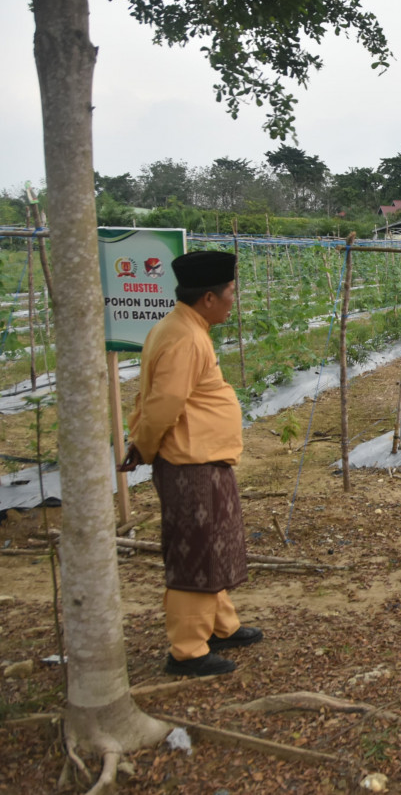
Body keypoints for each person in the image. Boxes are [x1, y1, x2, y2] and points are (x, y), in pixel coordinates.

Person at [119, 250, 262, 677]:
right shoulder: (184, 337)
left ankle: (220, 625)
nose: (235, 299)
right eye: (232, 292)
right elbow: (162, 405)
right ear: (208, 299)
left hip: (203, 462)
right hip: (188, 465)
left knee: (213, 545)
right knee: (195, 552)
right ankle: (187, 649)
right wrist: (142, 447)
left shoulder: (186, 327)